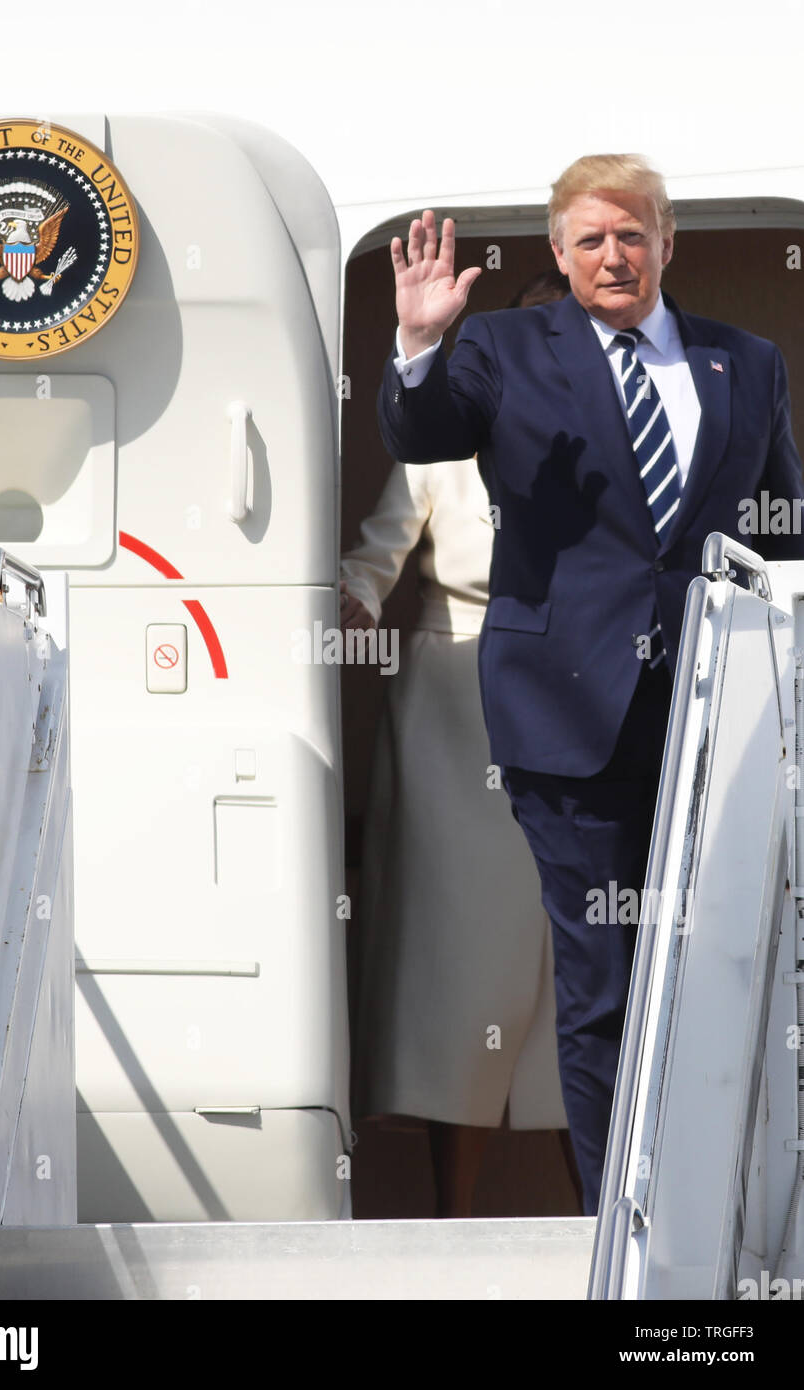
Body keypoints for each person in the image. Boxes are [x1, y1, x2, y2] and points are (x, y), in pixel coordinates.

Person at [376, 153, 804, 1214]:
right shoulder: (503, 348)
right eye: (588, 240)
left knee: (723, 962)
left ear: (666, 243)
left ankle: (718, 1208)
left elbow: (781, 523)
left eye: (631, 235)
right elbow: (423, 433)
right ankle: (624, 1218)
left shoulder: (741, 362)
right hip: (566, 716)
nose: (612, 256)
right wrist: (420, 343)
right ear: (558, 256)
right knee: (602, 973)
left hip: (718, 719)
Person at [341, 270, 573, 1218]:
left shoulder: (605, 444)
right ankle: (453, 1221)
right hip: (454, 708)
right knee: (464, 962)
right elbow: (376, 552)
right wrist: (351, 595)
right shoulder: (444, 441)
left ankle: (606, 1219)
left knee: (579, 960)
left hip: (571, 701)